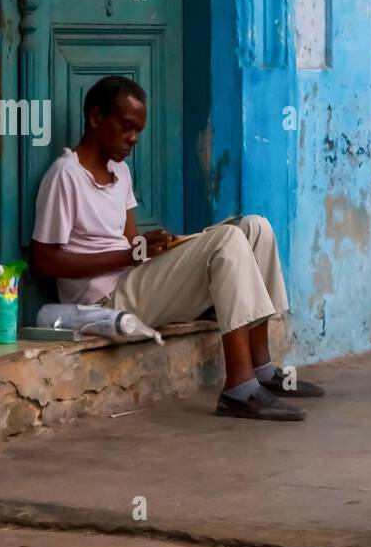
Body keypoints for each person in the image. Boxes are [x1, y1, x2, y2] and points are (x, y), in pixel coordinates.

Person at [28, 75, 322, 421]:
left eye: (138, 130)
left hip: (134, 282)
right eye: (126, 127)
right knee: (227, 240)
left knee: (256, 227)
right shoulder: (65, 176)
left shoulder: (120, 173)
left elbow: (129, 246)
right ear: (95, 118)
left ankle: (263, 368)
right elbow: (43, 261)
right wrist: (131, 255)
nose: (133, 138)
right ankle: (238, 389)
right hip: (103, 300)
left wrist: (157, 247)